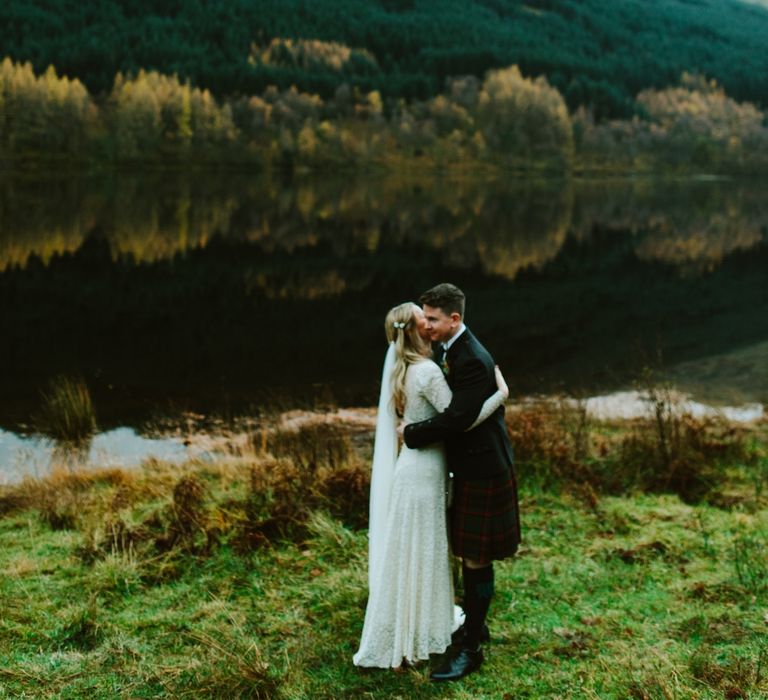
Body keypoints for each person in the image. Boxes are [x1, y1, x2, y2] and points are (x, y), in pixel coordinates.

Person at [353, 301, 509, 670]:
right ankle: (417, 630)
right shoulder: (426, 372)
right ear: (418, 329)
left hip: (412, 468)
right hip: (425, 472)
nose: (430, 322)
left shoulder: (404, 368)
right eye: (425, 318)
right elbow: (461, 419)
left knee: (411, 550)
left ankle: (412, 624)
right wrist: (499, 396)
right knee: (424, 549)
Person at [404, 282, 521, 682]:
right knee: (467, 551)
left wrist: (412, 434)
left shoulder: (471, 358)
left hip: (484, 468)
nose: (426, 327)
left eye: (433, 320)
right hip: (473, 465)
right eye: (425, 318)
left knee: (475, 554)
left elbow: (459, 418)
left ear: (454, 319)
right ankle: (475, 625)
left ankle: (470, 648)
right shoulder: (452, 348)